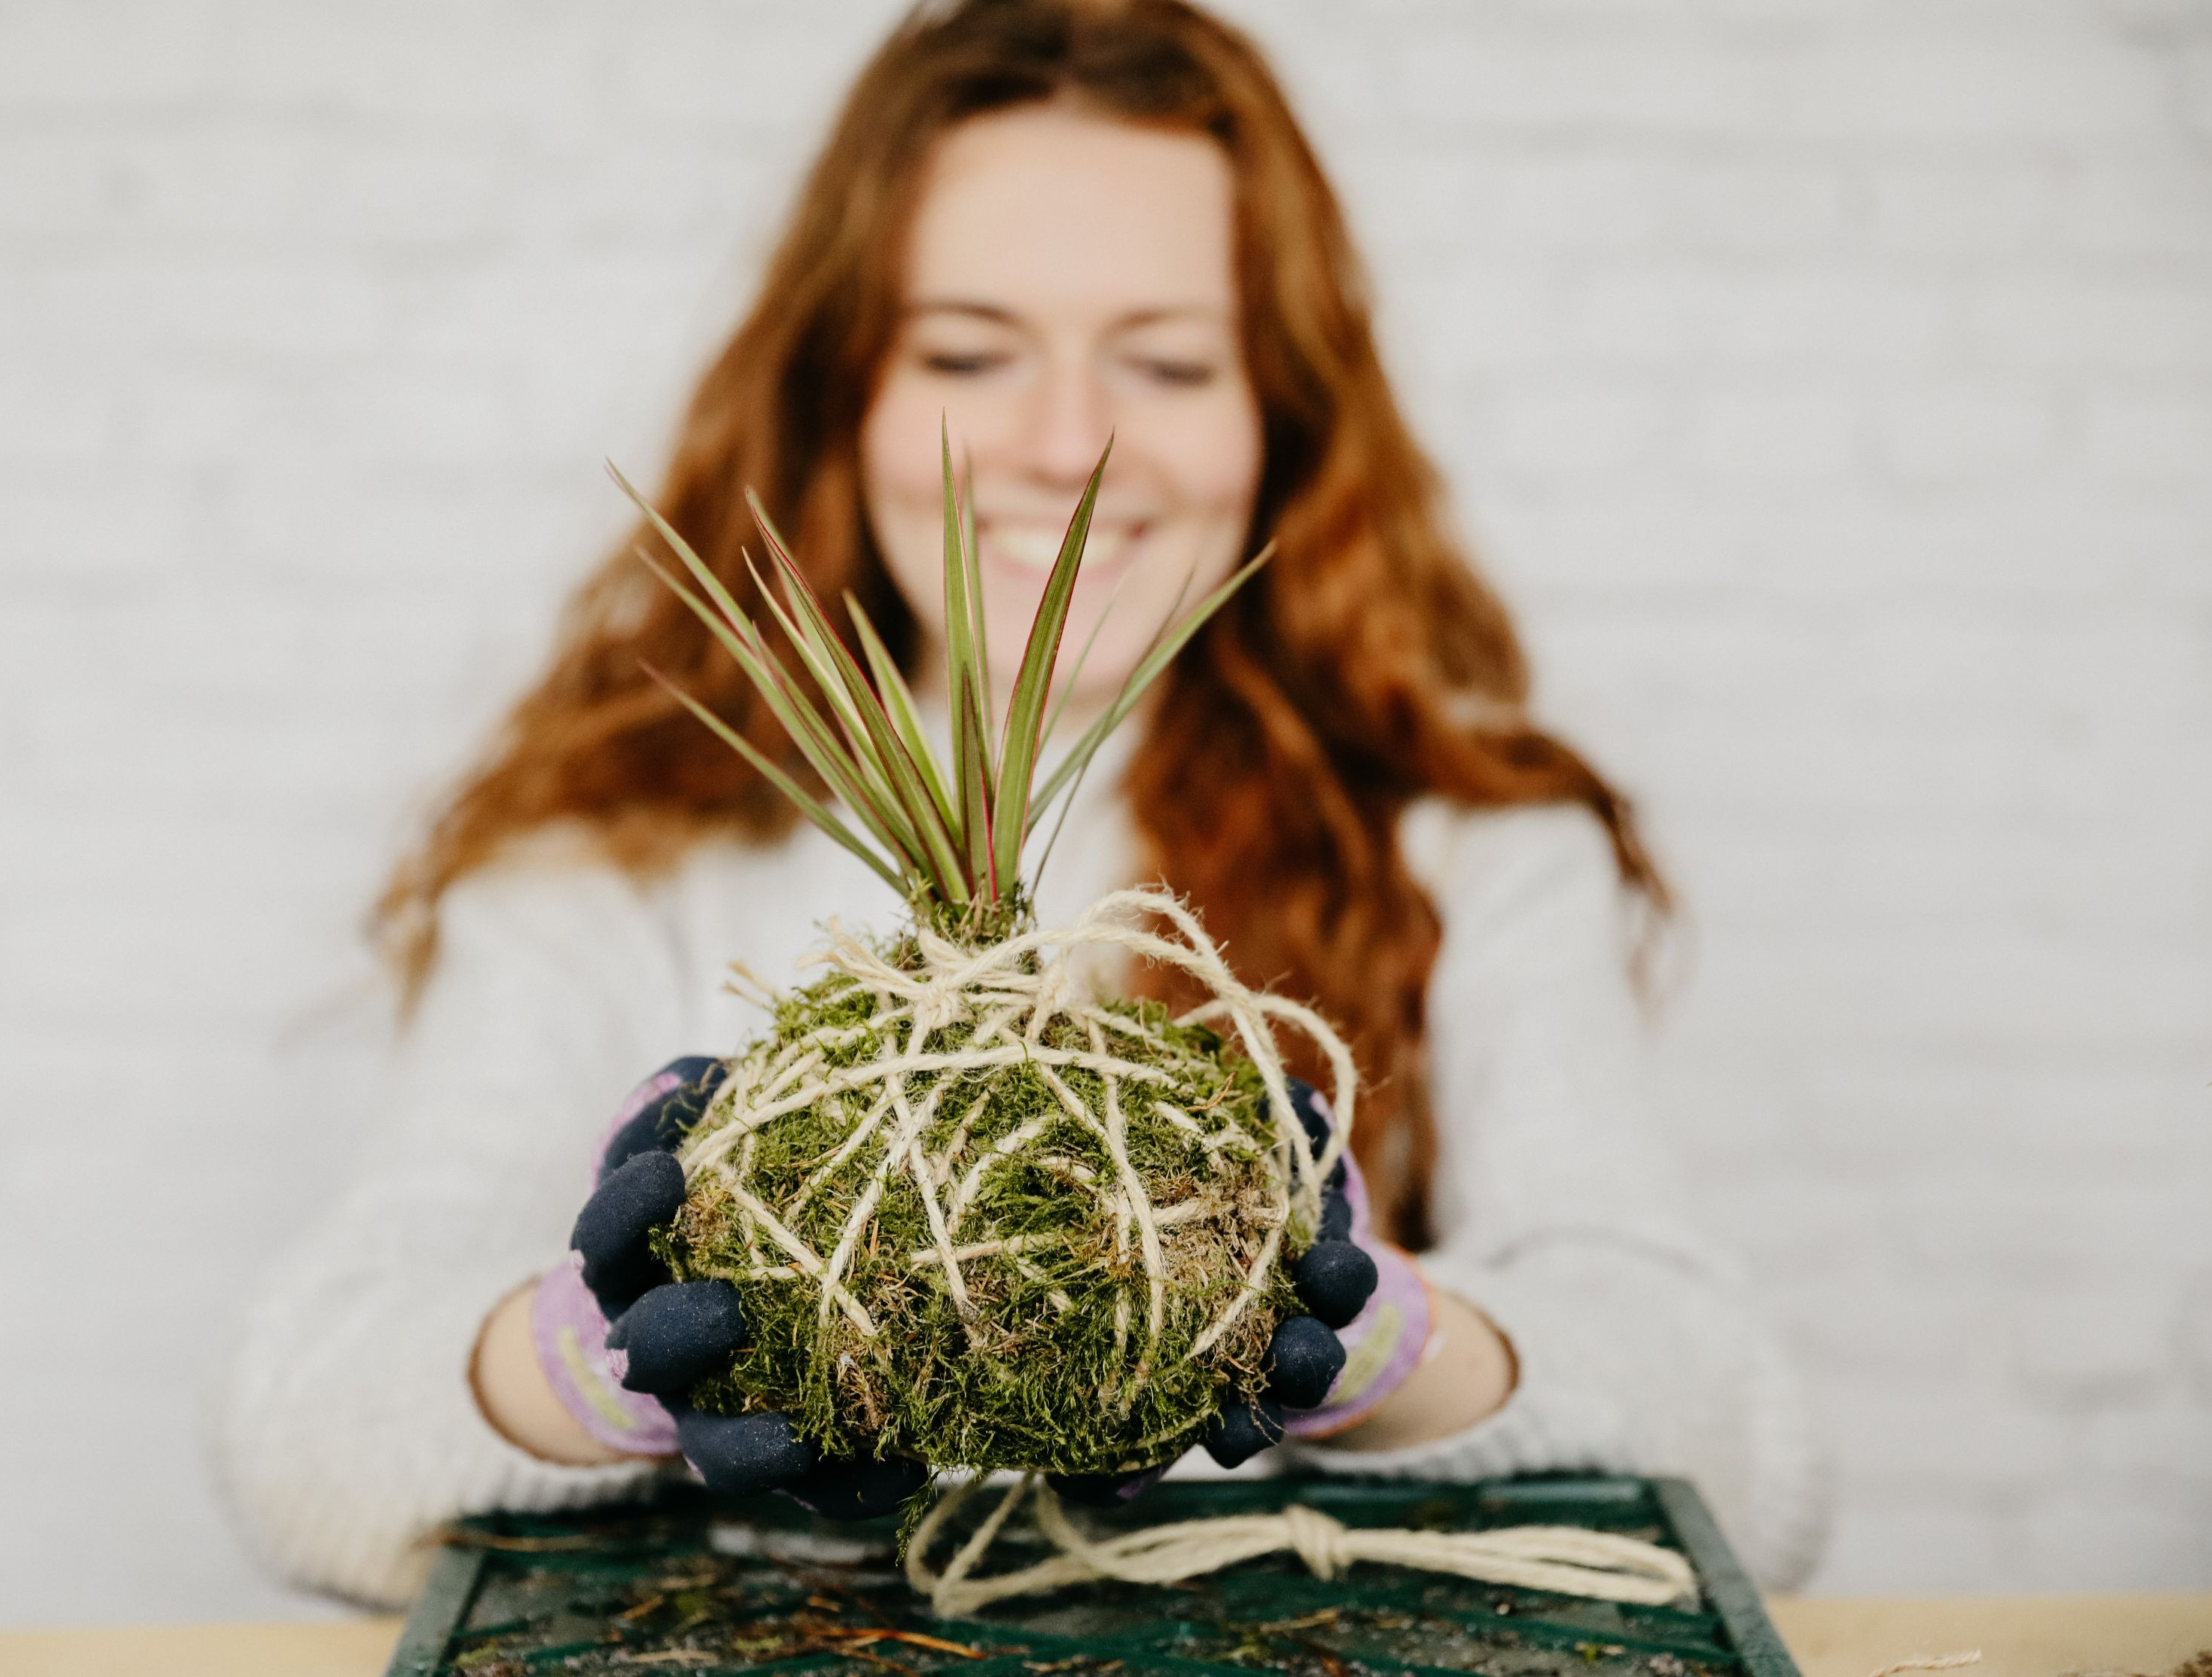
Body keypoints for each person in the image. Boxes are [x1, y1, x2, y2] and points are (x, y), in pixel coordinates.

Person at [212, 0, 1829, 1607]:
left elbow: (1754, 1466)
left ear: (1283, 415)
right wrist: (590, 1360)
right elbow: (301, 1438)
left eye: (1171, 359)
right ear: (841, 392)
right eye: (969, 353)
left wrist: (1384, 1342)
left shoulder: (1466, 847)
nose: (1067, 445)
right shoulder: (628, 848)